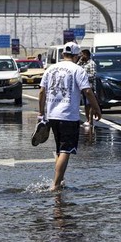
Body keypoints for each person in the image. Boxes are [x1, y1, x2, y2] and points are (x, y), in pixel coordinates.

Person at [38, 42, 102, 191]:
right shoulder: (78, 70)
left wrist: (41, 113)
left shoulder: (50, 69)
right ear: (76, 56)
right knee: (66, 150)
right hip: (68, 115)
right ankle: (55, 185)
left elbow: (42, 92)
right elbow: (87, 91)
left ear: (62, 55)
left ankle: (60, 181)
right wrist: (96, 108)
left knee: (60, 150)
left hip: (52, 115)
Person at [78, 49, 95, 125]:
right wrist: (80, 61)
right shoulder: (82, 64)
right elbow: (76, 68)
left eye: (82, 55)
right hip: (82, 87)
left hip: (89, 87)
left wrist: (84, 77)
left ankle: (91, 120)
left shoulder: (91, 64)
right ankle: (87, 119)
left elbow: (93, 75)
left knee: (90, 104)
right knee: (85, 104)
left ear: (86, 55)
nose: (81, 56)